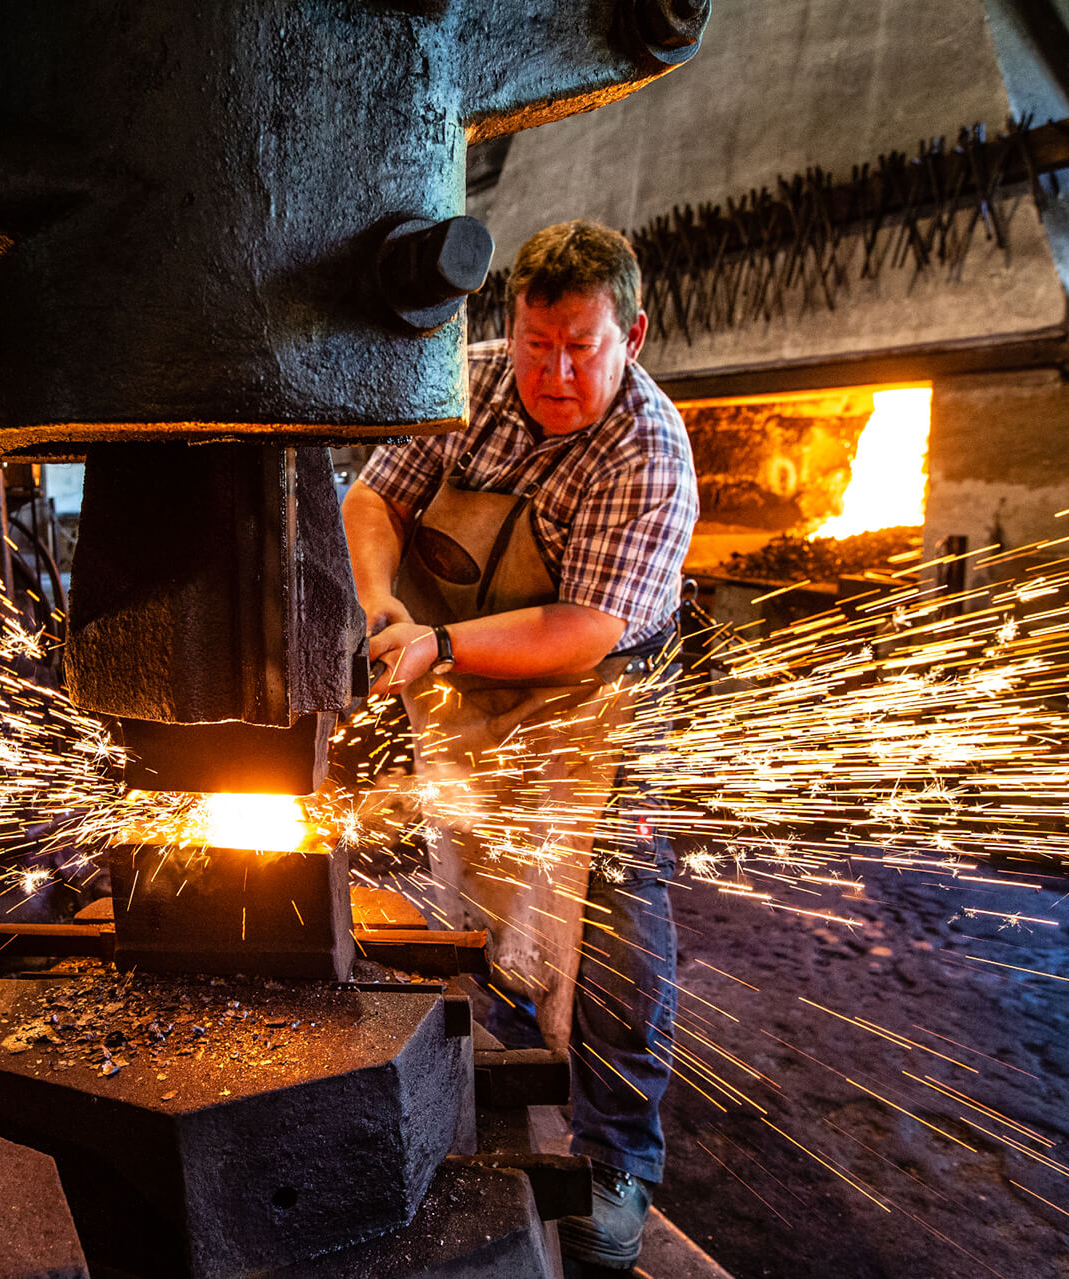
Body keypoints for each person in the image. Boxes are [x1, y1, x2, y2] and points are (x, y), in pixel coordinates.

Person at [342, 220, 698, 1273]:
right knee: (444, 870)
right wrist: (383, 611)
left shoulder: (649, 451)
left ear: (631, 332)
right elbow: (374, 495)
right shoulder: (472, 379)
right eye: (536, 345)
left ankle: (616, 1160)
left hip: (594, 701)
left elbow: (579, 627)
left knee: (614, 910)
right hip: (454, 674)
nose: (552, 372)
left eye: (580, 348)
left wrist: (440, 640)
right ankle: (467, 1083)